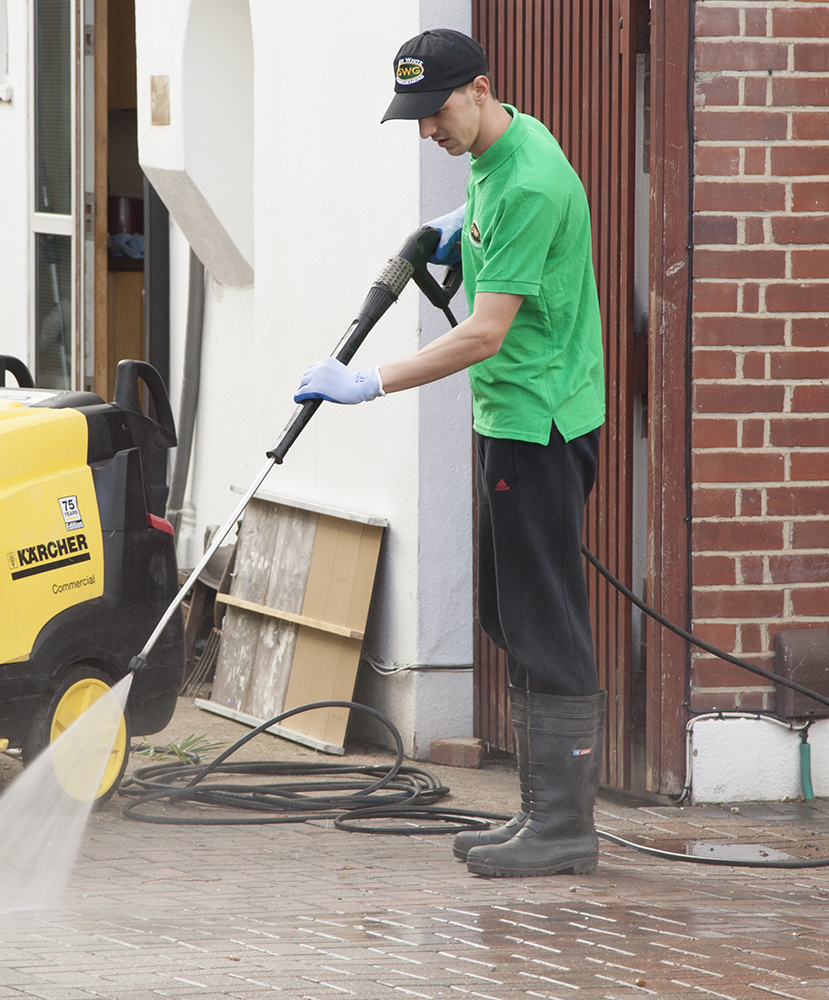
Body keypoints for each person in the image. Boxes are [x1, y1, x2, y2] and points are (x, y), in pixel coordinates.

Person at [295, 28, 606, 879]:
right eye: (415, 117)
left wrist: (373, 383)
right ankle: (541, 815)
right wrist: (460, 226)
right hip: (515, 414)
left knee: (544, 619)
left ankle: (563, 829)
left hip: (537, 419)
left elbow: (483, 333)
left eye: (435, 112)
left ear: (478, 89)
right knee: (510, 612)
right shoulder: (506, 145)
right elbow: (495, 212)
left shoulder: (530, 182)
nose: (428, 130)